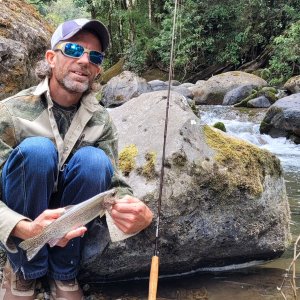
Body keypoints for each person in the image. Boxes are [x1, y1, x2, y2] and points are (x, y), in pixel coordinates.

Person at [0, 18, 153, 300]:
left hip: (71, 221)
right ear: (50, 58)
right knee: (37, 151)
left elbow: (114, 182)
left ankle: (64, 272)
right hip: (23, 217)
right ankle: (24, 270)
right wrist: (25, 228)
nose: (84, 60)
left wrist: (135, 210)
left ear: (97, 69)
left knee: (95, 161)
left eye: (94, 56)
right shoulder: (10, 112)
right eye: (73, 49)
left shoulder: (101, 120)